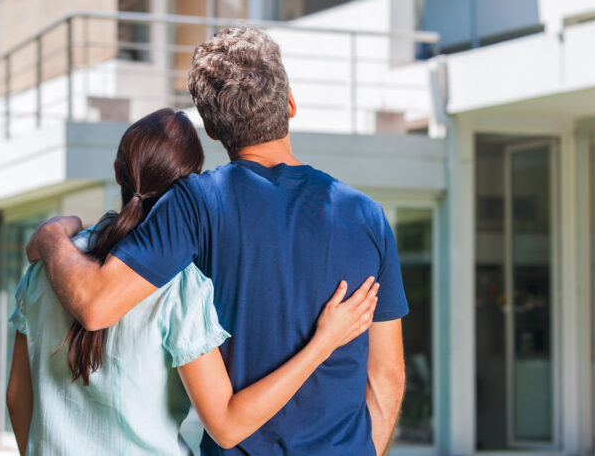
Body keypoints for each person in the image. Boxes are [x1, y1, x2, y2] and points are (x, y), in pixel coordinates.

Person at [28, 27, 408, 455]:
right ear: (290, 104)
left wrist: (49, 236)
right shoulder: (366, 216)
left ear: (211, 129)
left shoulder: (196, 204)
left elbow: (95, 305)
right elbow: (388, 374)